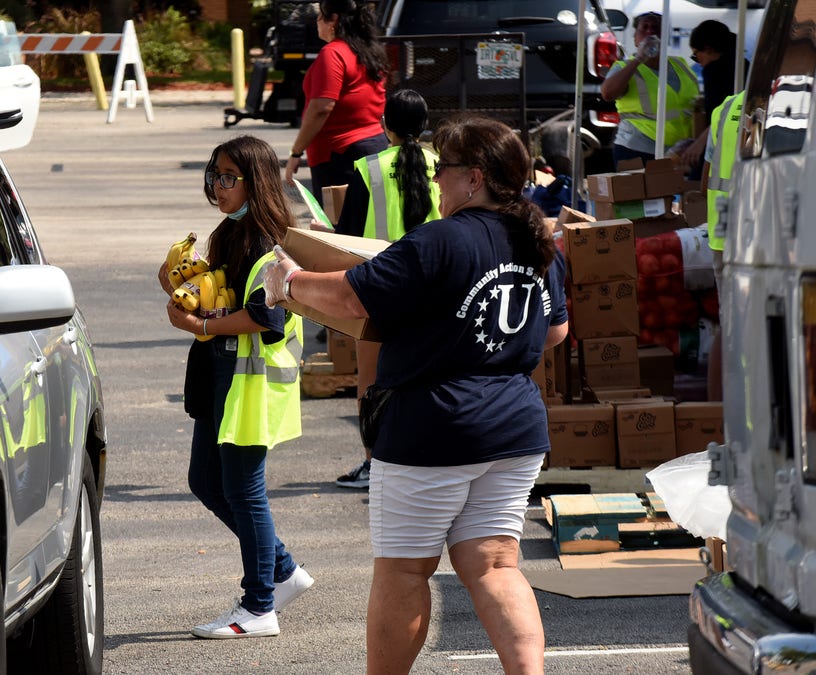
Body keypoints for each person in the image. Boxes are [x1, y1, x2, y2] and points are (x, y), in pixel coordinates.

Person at [263, 115, 569, 673]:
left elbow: (355, 300)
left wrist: (289, 283)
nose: (436, 183)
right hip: (514, 426)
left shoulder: (439, 239)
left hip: (433, 424)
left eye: (443, 172)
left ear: (473, 177)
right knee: (496, 565)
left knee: (405, 570)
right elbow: (554, 332)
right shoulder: (535, 238)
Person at [158, 135, 313, 639]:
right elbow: (220, 296)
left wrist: (201, 328)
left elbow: (265, 317)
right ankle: (284, 571)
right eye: (214, 176)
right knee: (205, 482)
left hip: (250, 386)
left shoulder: (273, 243)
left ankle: (259, 606)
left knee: (244, 492)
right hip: (218, 378)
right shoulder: (228, 232)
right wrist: (179, 287)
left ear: (256, 181)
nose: (218, 186)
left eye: (228, 177)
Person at [330, 87, 441, 489]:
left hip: (381, 291)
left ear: (384, 125)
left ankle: (374, 463)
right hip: (436, 289)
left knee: (372, 383)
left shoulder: (368, 168)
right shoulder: (444, 166)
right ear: (425, 125)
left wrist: (321, 233)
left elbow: (348, 238)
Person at [283, 0, 389, 209]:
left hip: (339, 155)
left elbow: (321, 107)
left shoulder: (332, 53)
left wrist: (296, 152)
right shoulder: (369, 51)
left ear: (334, 21)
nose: (317, 21)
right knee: (368, 223)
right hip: (373, 145)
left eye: (321, 16)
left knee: (339, 228)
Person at [600, 11, 699, 167]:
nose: (650, 31)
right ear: (635, 38)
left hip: (678, 152)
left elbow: (694, 101)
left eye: (656, 27)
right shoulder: (624, 67)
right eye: (644, 28)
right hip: (637, 149)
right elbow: (608, 94)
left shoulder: (680, 64)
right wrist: (640, 58)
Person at [702, 89, 743, 402]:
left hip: (722, 236)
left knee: (728, 325)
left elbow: (706, 182)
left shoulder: (726, 106)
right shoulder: (792, 105)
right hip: (766, 241)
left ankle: (717, 413)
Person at [678, 20, 741, 172]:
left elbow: (724, 112)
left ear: (707, 49)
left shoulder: (714, 70)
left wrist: (699, 143)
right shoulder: (741, 64)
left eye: (696, 55)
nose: (698, 62)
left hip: (723, 144)